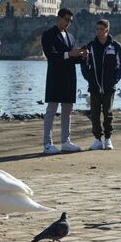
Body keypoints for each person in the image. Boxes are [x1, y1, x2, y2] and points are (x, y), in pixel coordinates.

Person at [41, 8, 88, 154]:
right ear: (59, 18)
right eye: (66, 19)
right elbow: (51, 55)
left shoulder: (71, 37)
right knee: (51, 110)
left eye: (70, 21)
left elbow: (72, 58)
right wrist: (69, 54)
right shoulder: (48, 34)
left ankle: (65, 141)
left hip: (69, 77)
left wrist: (82, 56)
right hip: (55, 76)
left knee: (67, 110)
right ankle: (47, 144)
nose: (68, 23)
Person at [80, 19, 121, 150]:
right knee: (94, 113)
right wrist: (88, 78)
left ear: (107, 30)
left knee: (108, 113)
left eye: (102, 29)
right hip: (94, 85)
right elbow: (83, 63)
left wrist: (115, 80)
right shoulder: (89, 46)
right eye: (97, 29)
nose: (99, 32)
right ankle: (97, 139)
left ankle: (108, 139)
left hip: (109, 86)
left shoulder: (116, 47)